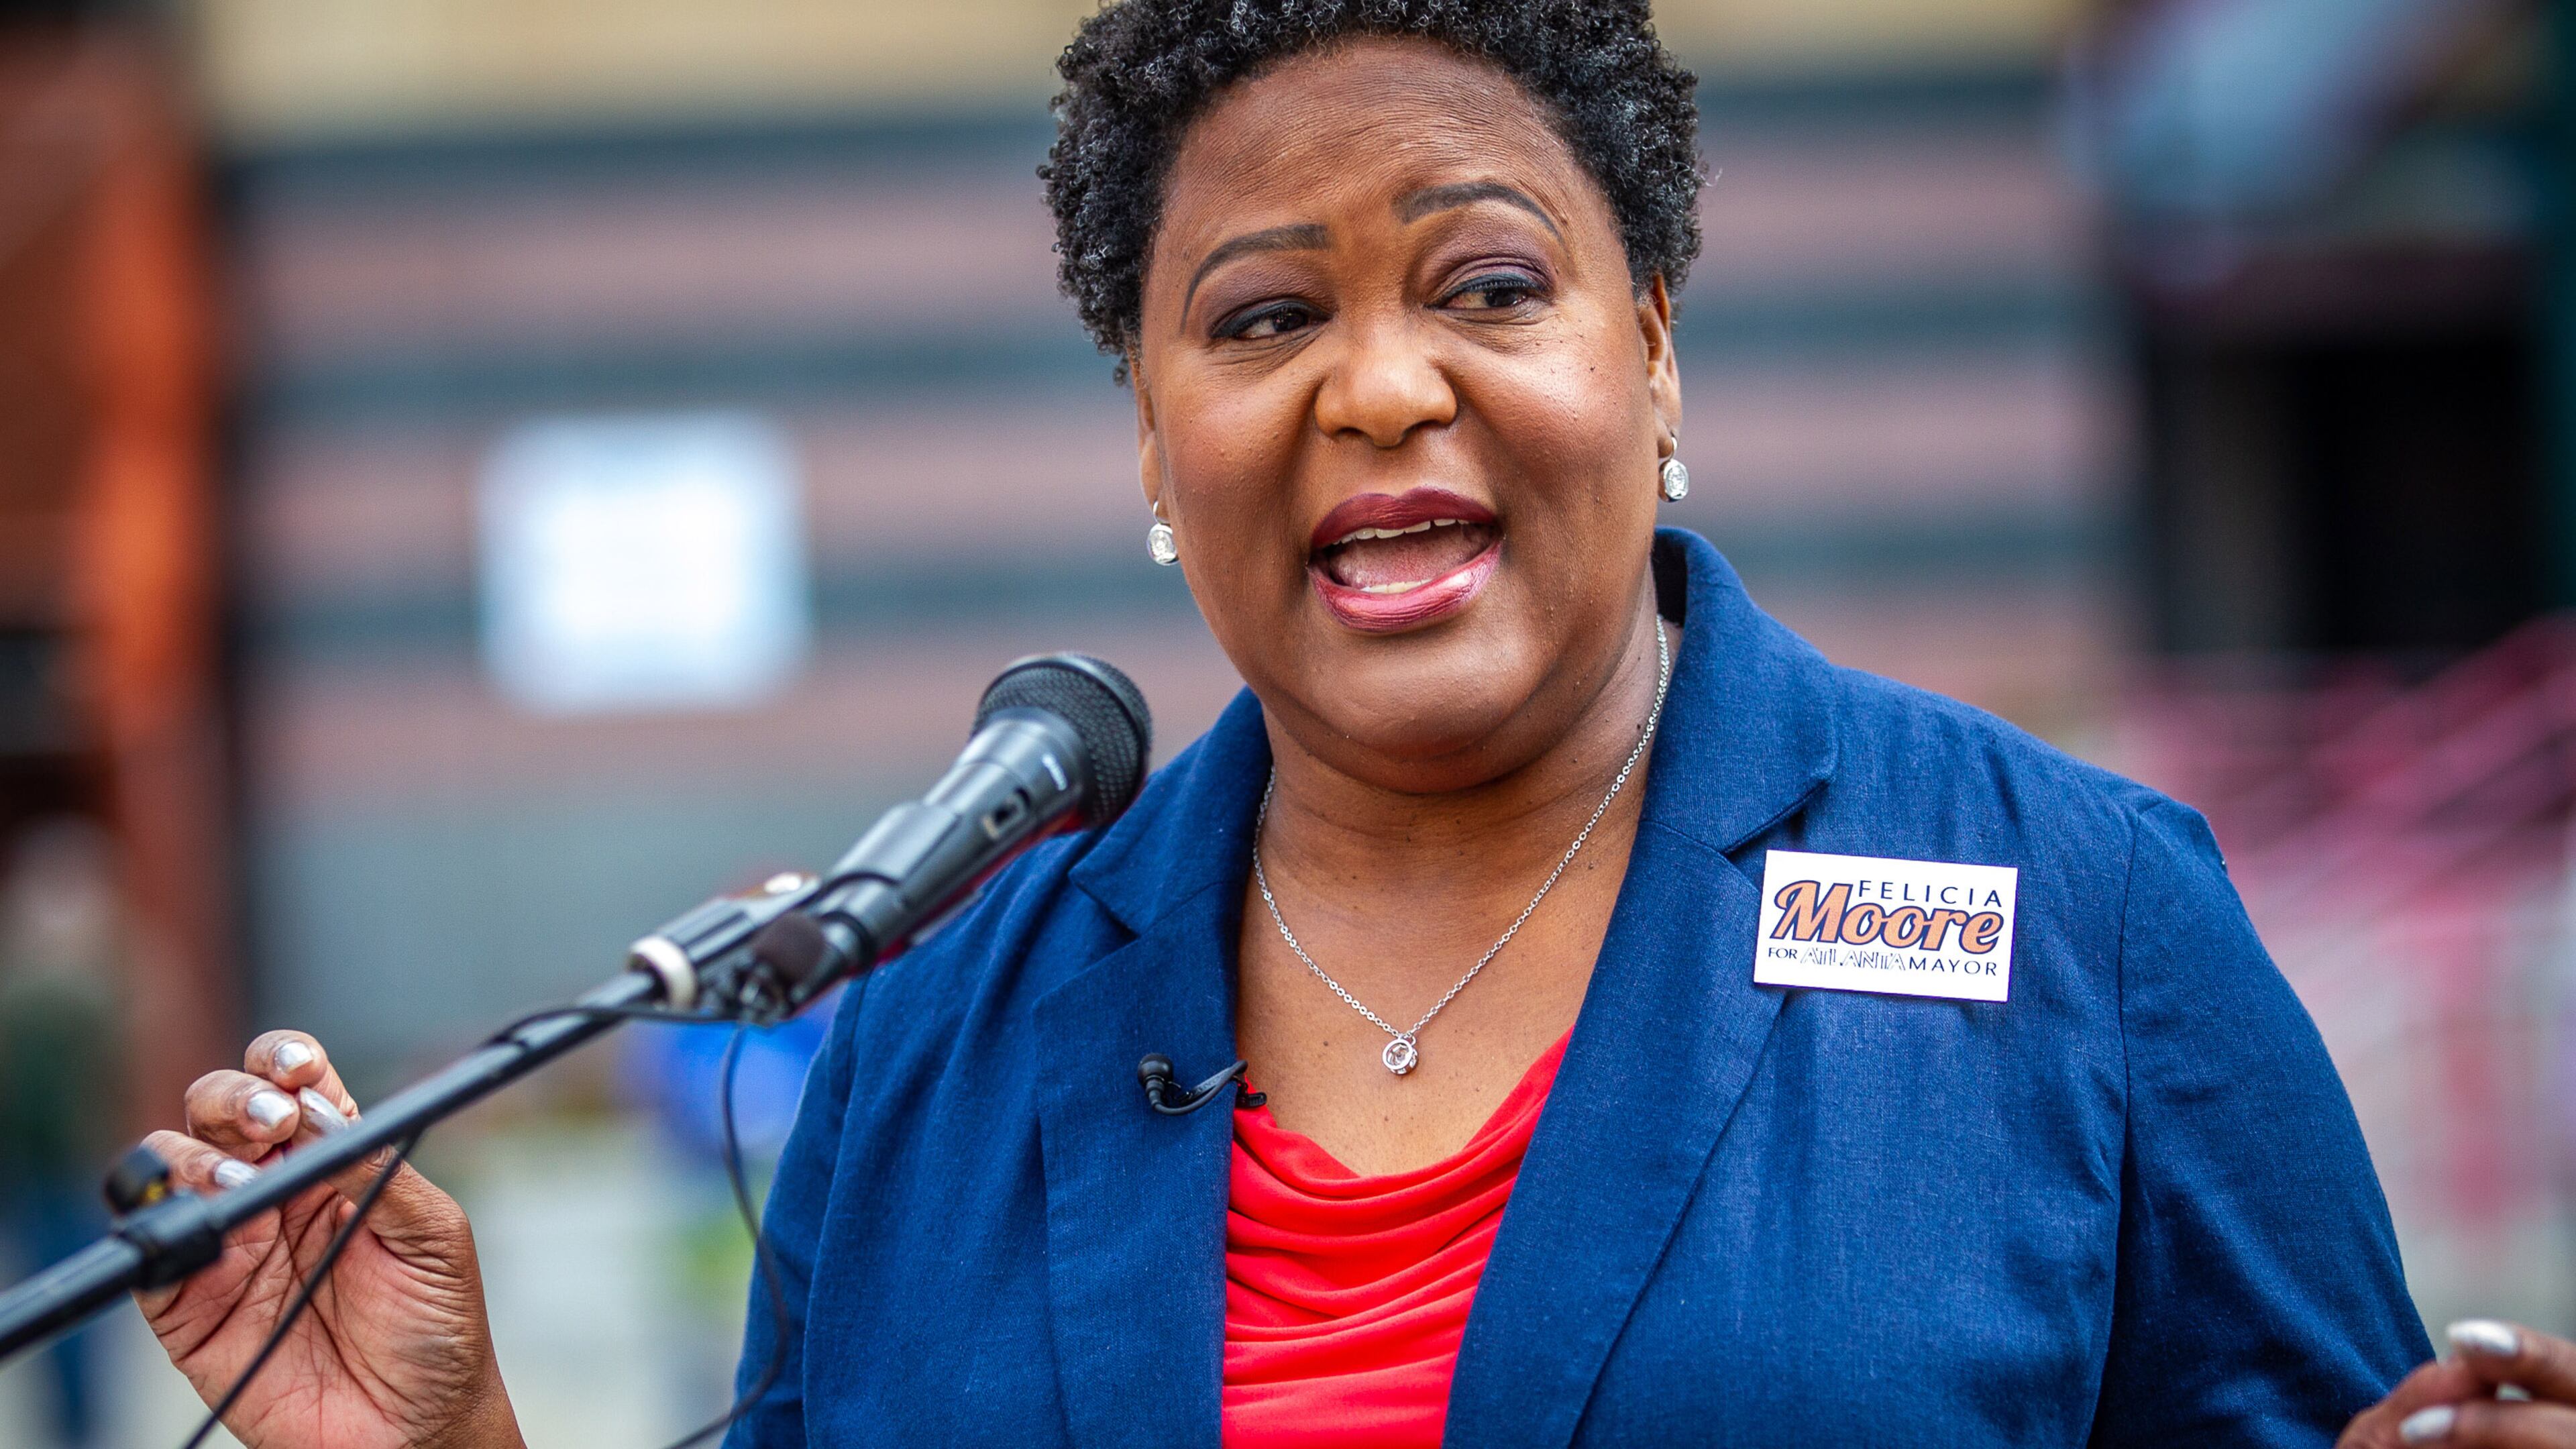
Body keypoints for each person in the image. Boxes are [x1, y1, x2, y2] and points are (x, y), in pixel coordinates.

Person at [120, 1, 2569, 1444]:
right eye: (1265, 316)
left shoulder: (2081, 919)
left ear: (1655, 358)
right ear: (1153, 438)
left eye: (1489, 281)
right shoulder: (935, 1039)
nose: (1378, 384)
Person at [0, 818, 129, 1449]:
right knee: (83, 1306)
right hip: (71, 1167)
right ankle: (81, 1429)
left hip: (50, 1169)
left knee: (56, 1305)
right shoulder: (79, 989)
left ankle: (72, 1428)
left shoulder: (24, 987)